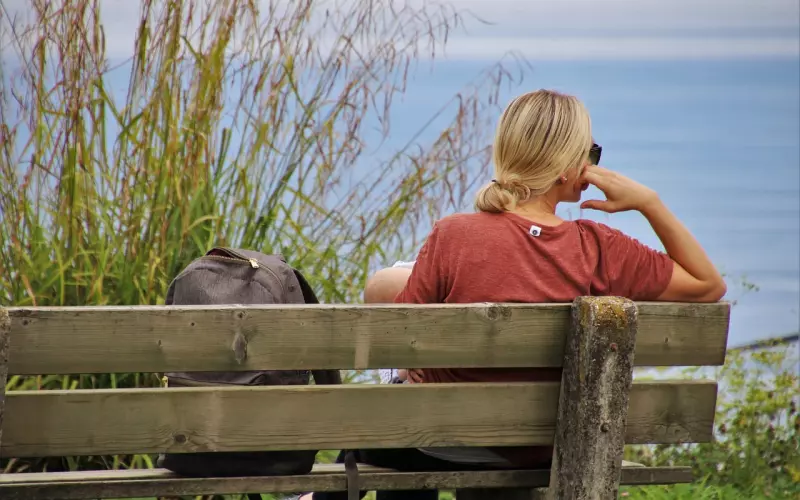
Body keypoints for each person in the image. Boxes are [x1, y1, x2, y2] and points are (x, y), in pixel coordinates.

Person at [310, 89, 726, 500]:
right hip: (543, 450)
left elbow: (397, 347)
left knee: (387, 425)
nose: (593, 166)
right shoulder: (601, 250)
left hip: (443, 440)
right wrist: (649, 203)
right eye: (590, 154)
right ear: (566, 169)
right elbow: (708, 285)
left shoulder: (454, 235)